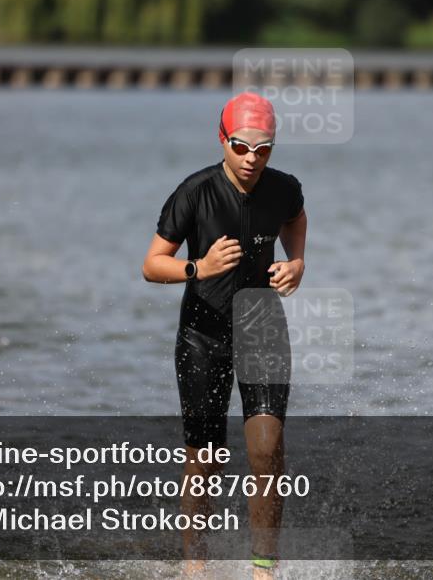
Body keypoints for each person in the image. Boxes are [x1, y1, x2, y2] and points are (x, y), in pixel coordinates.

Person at [142, 92, 307, 579]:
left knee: (267, 447)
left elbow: (296, 218)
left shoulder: (284, 189)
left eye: (263, 149)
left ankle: (263, 571)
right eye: (241, 146)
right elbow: (151, 265)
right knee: (206, 459)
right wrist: (200, 266)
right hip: (203, 335)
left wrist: (297, 262)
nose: (252, 158)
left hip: (262, 326)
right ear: (223, 140)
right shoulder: (194, 192)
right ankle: (195, 568)